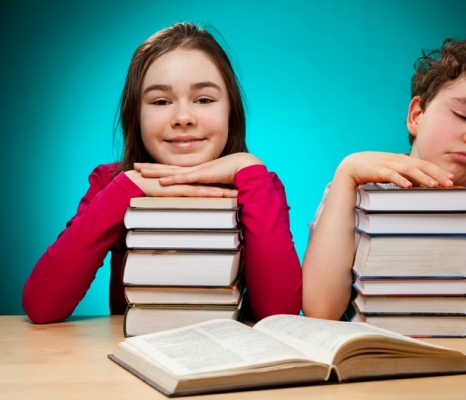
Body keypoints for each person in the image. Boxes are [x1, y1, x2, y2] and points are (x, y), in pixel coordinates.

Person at [23, 23, 302, 324]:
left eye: (204, 99)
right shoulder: (112, 183)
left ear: (231, 112)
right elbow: (42, 306)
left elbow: (280, 314)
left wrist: (248, 168)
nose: (183, 118)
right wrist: (124, 189)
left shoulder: (257, 185)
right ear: (136, 116)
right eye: (160, 101)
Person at [302, 38, 466, 328]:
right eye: (463, 115)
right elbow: (320, 309)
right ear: (417, 116)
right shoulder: (355, 191)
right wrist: (346, 172)